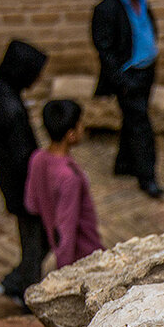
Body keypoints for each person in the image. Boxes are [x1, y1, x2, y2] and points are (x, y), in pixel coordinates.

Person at [0, 39, 49, 305]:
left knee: (36, 239)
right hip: (24, 187)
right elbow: (23, 157)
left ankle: (14, 282)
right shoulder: (9, 109)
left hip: (11, 182)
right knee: (36, 242)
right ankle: (27, 295)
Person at [91, 0, 164, 199]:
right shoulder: (107, 9)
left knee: (132, 120)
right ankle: (148, 177)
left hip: (146, 71)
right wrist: (122, 81)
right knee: (142, 126)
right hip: (128, 76)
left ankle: (123, 163)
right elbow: (105, 50)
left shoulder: (141, 1)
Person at [25, 100, 105, 269]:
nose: (83, 127)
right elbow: (67, 229)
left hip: (53, 238)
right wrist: (65, 270)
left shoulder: (38, 158)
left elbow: (31, 204)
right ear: (71, 134)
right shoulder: (69, 178)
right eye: (80, 124)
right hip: (83, 253)